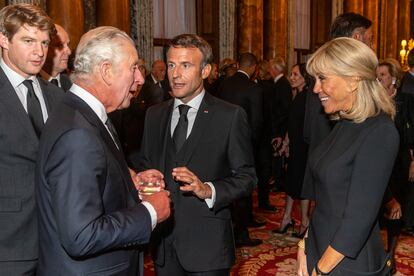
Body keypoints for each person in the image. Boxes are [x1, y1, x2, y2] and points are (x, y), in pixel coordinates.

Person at [35, 26, 171, 275]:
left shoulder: (85, 114)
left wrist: (131, 183)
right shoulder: (78, 133)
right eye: (133, 68)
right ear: (106, 71)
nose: (140, 78)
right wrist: (151, 211)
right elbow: (81, 235)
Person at [137, 34, 256, 276]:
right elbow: (148, 167)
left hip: (208, 249)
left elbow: (247, 178)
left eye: (186, 65)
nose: (175, 74)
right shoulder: (154, 115)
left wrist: (208, 190)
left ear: (205, 71)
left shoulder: (229, 116)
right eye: (171, 65)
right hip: (163, 246)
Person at [297, 37, 398, 275]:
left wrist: (320, 270)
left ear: (353, 80)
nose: (315, 88)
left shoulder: (379, 131)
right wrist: (305, 245)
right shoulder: (345, 122)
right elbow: (326, 199)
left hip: (347, 262)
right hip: (321, 248)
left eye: (323, 79)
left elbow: (358, 220)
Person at [0, 4, 63, 275]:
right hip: (8, 246)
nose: (39, 52)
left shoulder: (58, 97)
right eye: (28, 41)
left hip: (60, 242)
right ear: (3, 39)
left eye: (44, 43)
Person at [304, 12, 373, 153]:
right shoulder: (327, 86)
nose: (372, 46)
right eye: (370, 40)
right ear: (357, 38)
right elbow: (321, 144)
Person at [218, 52, 265, 247]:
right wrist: (253, 146)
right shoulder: (253, 88)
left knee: (226, 184)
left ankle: (230, 228)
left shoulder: (224, 84)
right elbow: (257, 122)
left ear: (237, 64)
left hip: (221, 143)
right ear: (254, 67)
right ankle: (242, 233)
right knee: (243, 187)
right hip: (243, 145)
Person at [377, 58, 414, 273]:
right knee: (377, 210)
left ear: (393, 78)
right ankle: (376, 253)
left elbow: (412, 135)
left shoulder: (406, 100)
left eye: (382, 75)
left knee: (396, 212)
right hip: (377, 163)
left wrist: (412, 163)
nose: (379, 78)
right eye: (377, 75)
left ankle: (390, 255)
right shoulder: (374, 101)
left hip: (399, 164)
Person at [273, 64, 311, 238]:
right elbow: (292, 122)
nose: (292, 77)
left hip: (305, 148)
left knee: (302, 184)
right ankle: (287, 218)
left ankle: (304, 222)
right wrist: (286, 142)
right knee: (291, 182)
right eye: (291, 74)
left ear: (305, 77)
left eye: (296, 74)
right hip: (295, 146)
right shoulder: (296, 95)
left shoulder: (309, 97)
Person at [41, 24, 72, 91]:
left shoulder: (72, 83)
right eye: (60, 45)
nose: (69, 52)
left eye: (68, 44)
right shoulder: (30, 83)